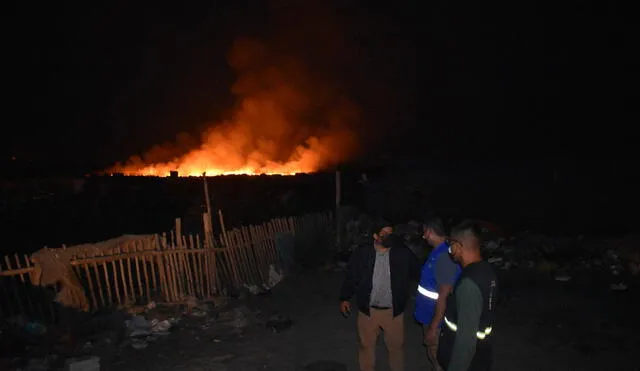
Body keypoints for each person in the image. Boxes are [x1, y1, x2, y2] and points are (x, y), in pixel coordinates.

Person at [339, 222, 420, 371]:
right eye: (384, 233)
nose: (389, 237)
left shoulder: (402, 253)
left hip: (393, 311)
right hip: (368, 311)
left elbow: (419, 273)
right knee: (366, 346)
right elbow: (352, 276)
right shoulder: (363, 253)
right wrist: (344, 297)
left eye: (390, 233)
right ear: (375, 235)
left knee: (396, 348)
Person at [437, 221, 498, 371]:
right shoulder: (486, 271)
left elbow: (466, 342)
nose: (449, 248)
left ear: (458, 245)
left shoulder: (469, 283)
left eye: (450, 244)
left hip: (468, 363)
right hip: (481, 356)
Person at [414, 217, 462, 371]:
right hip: (430, 316)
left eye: (425, 232)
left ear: (430, 231)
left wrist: (434, 327)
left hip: (437, 321)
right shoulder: (438, 252)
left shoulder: (444, 257)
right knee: (434, 358)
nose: (423, 236)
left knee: (439, 360)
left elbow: (444, 295)